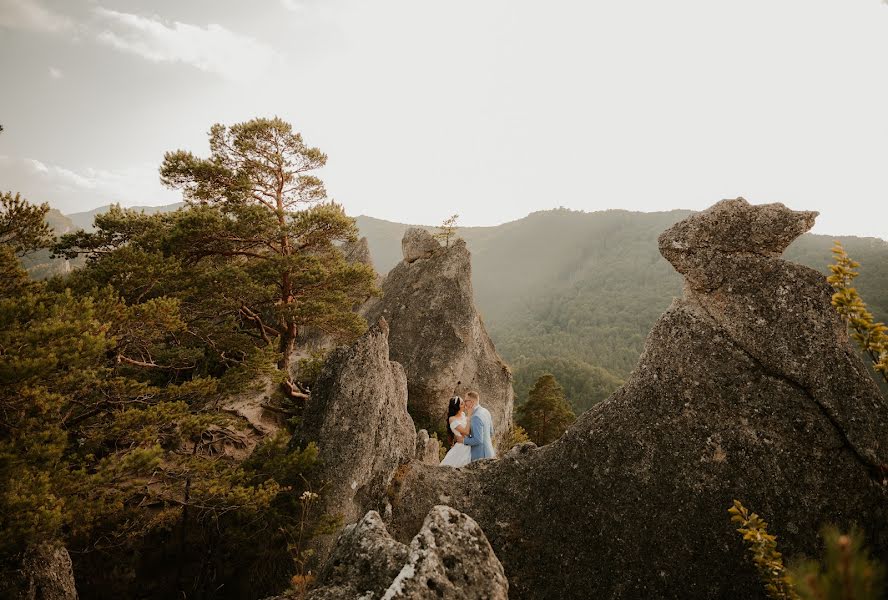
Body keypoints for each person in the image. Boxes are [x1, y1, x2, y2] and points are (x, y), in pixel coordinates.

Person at [457, 390, 495, 462]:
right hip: (490, 453)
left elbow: (478, 440)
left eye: (466, 401)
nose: (464, 404)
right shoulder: (486, 411)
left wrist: (463, 440)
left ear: (471, 402)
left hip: (481, 456)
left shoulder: (475, 417)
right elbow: (491, 432)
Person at [440, 395, 472, 467]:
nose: (464, 404)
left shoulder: (463, 414)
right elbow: (466, 432)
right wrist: (469, 416)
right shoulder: (452, 419)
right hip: (462, 447)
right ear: (457, 407)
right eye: (462, 403)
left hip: (468, 442)